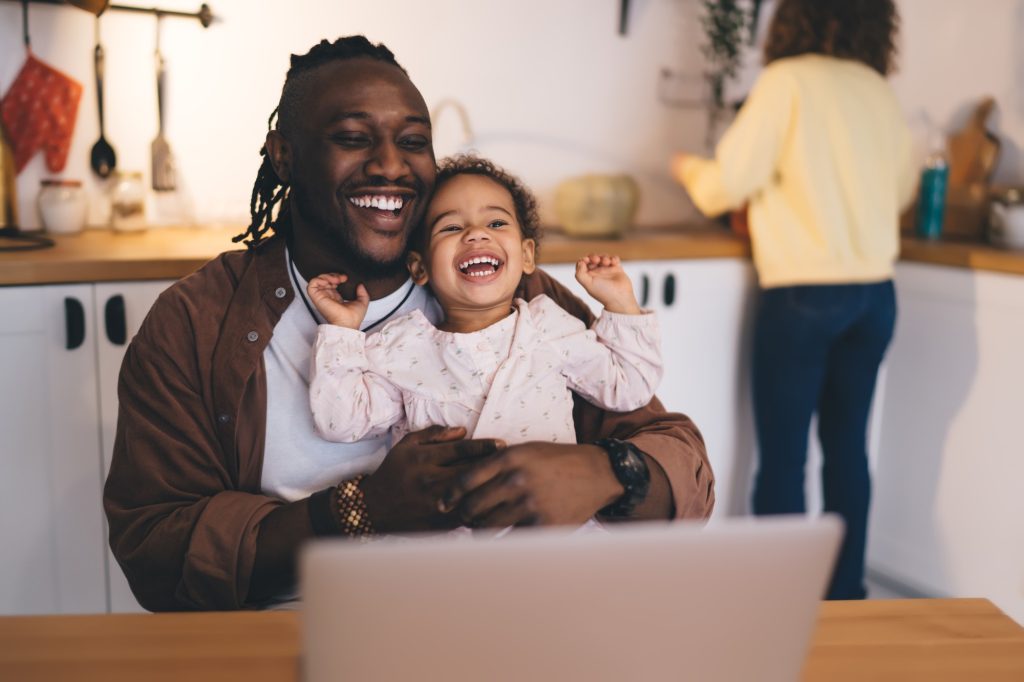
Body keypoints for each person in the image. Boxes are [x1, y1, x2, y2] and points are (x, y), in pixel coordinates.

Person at [104, 36, 714, 613]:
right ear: (284, 156)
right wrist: (358, 510)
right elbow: (156, 551)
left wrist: (605, 473)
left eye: (414, 140)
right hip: (307, 633)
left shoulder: (513, 299)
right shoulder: (196, 323)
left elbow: (684, 465)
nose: (391, 165)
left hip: (526, 614)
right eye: (352, 137)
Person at [672, 0, 915, 599]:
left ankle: (778, 600)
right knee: (847, 452)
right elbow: (904, 185)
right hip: (875, 295)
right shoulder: (876, 90)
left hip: (805, 292)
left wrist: (687, 170)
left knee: (783, 458)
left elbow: (728, 183)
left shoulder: (787, 81)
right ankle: (845, 595)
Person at [307, 155, 662, 457]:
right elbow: (341, 422)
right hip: (446, 534)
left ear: (526, 256)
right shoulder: (402, 347)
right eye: (451, 227)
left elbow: (628, 387)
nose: (476, 234)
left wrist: (620, 304)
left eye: (496, 222)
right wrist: (341, 331)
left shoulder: (548, 326)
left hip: (546, 530)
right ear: (420, 268)